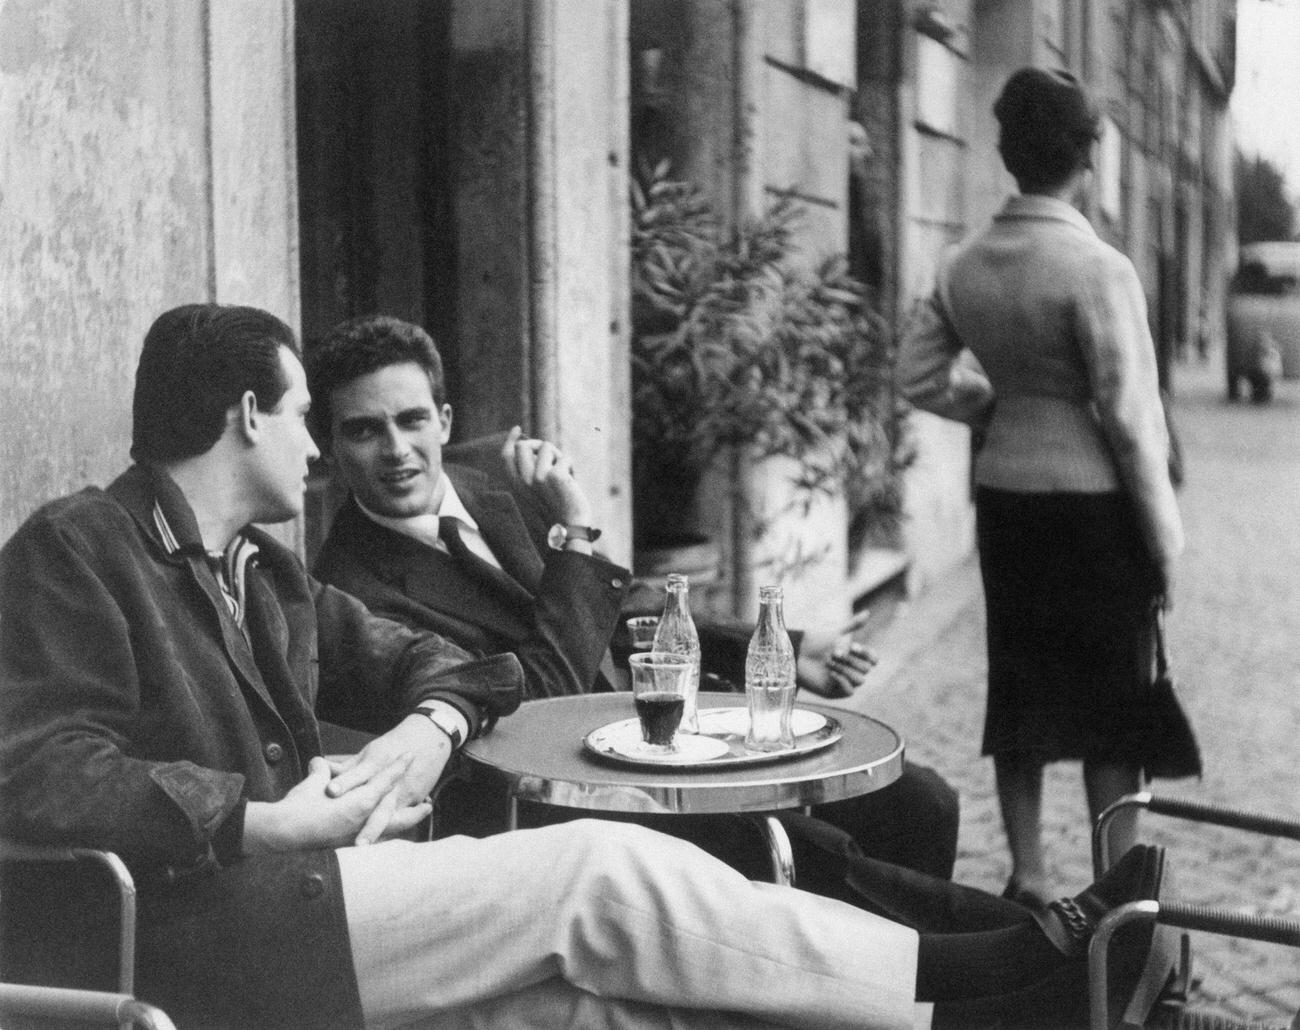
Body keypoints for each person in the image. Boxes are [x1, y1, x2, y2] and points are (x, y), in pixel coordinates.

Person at [0, 302, 1166, 1030]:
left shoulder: (260, 572)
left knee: (609, 1007)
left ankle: (986, 1009)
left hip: (301, 911)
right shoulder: (78, 547)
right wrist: (261, 821)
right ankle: (997, 979)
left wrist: (428, 727)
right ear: (248, 415)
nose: (317, 447)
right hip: (201, 937)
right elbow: (34, 768)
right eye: (312, 415)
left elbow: (451, 667)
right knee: (600, 872)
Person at [305, 314, 959, 879]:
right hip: (573, 808)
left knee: (923, 802)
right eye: (363, 430)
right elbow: (540, 702)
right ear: (331, 449)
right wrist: (576, 534)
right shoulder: (350, 590)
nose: (397, 450)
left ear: (444, 421)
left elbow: (626, 609)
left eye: (412, 419)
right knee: (826, 856)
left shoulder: (494, 475)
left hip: (659, 737)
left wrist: (791, 644)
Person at [896, 68, 1185, 909]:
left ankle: (1026, 873)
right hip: (1096, 507)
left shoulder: (964, 264)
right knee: (1114, 701)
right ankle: (1115, 886)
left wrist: (997, 405)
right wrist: (1165, 541)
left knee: (1019, 683)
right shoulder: (1099, 269)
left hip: (1007, 498)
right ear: (1088, 157)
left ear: (1008, 154)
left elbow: (917, 375)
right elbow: (1130, 418)